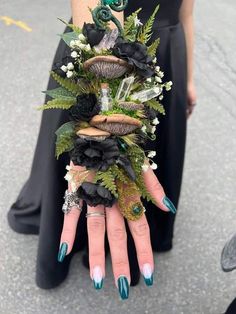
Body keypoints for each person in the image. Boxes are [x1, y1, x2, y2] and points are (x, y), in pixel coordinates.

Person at [8, 0, 196, 293]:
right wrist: (103, 130)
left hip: (169, 50)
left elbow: (188, 10)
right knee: (93, 172)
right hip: (104, 47)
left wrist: (189, 77)